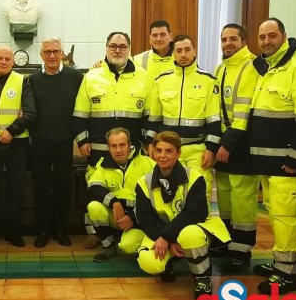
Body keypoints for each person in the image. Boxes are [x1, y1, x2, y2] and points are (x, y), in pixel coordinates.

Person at [250, 18, 296, 294]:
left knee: (284, 216)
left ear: (284, 36)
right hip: (269, 162)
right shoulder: (267, 70)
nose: (267, 41)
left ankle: (285, 276)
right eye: (262, 37)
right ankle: (287, 264)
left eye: (272, 36)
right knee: (276, 214)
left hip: (287, 163)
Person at [74, 31, 152, 249]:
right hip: (97, 150)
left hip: (132, 152)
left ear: (129, 48)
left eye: (122, 46)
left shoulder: (143, 77)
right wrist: (82, 141)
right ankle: (95, 232)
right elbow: (80, 114)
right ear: (106, 48)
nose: (117, 50)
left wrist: (149, 142)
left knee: (131, 187)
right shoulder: (91, 77)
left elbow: (151, 115)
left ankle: (131, 227)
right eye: (113, 46)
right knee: (95, 189)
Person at [134, 131, 231, 299]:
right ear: (152, 152)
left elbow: (195, 213)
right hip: (162, 230)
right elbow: (146, 219)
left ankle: (202, 277)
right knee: (149, 262)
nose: (162, 156)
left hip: (194, 228)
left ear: (178, 154)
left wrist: (167, 237)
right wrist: (168, 240)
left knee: (189, 235)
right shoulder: (144, 182)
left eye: (169, 151)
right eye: (158, 151)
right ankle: (168, 263)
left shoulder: (195, 177)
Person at [147, 34, 221, 201]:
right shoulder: (161, 81)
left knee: (199, 194)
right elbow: (154, 119)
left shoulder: (208, 81)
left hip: (198, 151)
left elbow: (214, 120)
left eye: (187, 50)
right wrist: (151, 144)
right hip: (168, 151)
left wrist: (211, 149)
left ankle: (198, 228)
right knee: (170, 195)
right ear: (173, 53)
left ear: (194, 51)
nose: (183, 54)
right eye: (178, 51)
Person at [212, 24, 261, 272]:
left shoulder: (252, 66)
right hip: (223, 142)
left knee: (242, 198)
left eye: (233, 39)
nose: (227, 43)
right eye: (224, 39)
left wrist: (228, 144)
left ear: (244, 41)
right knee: (224, 195)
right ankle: (228, 242)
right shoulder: (221, 68)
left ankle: (241, 251)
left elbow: (245, 112)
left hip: (241, 143)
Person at [0, 46, 36, 249]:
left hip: (17, 142)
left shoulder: (23, 81)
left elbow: (31, 113)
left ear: (13, 61)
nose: (3, 62)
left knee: (15, 190)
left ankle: (14, 232)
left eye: (7, 59)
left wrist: (12, 130)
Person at [27, 37, 83, 248]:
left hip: (64, 143)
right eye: (47, 52)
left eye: (56, 51)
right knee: (40, 188)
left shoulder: (76, 77)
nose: (52, 55)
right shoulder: (32, 80)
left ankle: (60, 229)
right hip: (39, 143)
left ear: (62, 54)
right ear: (41, 55)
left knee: (62, 188)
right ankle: (42, 231)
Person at [87, 127, 155, 262]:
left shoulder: (147, 164)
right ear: (109, 147)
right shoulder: (104, 163)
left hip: (139, 219)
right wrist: (115, 203)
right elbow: (93, 187)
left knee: (128, 247)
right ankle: (109, 246)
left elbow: (156, 200)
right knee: (94, 207)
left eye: (122, 145)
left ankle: (144, 243)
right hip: (117, 216)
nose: (118, 150)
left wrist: (133, 218)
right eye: (114, 146)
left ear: (130, 145)